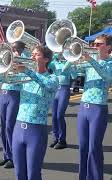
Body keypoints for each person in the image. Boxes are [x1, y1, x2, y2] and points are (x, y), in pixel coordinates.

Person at [11, 45, 58, 180]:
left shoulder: (53, 78)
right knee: (19, 172)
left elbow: (49, 86)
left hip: (36, 130)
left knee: (33, 173)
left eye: (36, 54)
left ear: (46, 59)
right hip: (19, 128)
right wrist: (7, 63)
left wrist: (28, 71)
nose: (31, 57)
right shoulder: (25, 76)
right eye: (32, 54)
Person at [73, 35, 112, 180]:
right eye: (94, 44)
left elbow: (108, 77)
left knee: (94, 148)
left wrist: (91, 60)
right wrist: (69, 60)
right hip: (84, 106)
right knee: (83, 147)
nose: (94, 46)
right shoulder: (90, 62)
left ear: (108, 47)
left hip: (98, 108)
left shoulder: (110, 62)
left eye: (98, 44)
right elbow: (70, 73)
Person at [0, 41, 30, 169]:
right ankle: (6, 155)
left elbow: (21, 79)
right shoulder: (7, 59)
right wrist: (5, 65)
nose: (12, 50)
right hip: (4, 94)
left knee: (10, 126)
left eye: (14, 48)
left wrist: (16, 65)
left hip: (15, 94)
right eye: (11, 48)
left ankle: (15, 157)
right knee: (3, 126)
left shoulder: (24, 61)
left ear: (19, 49)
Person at [48, 53, 77, 149]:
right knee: (54, 116)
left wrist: (72, 65)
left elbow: (74, 76)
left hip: (64, 89)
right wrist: (55, 56)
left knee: (60, 115)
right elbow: (47, 64)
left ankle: (62, 140)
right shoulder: (54, 63)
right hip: (55, 89)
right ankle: (56, 138)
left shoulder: (69, 62)